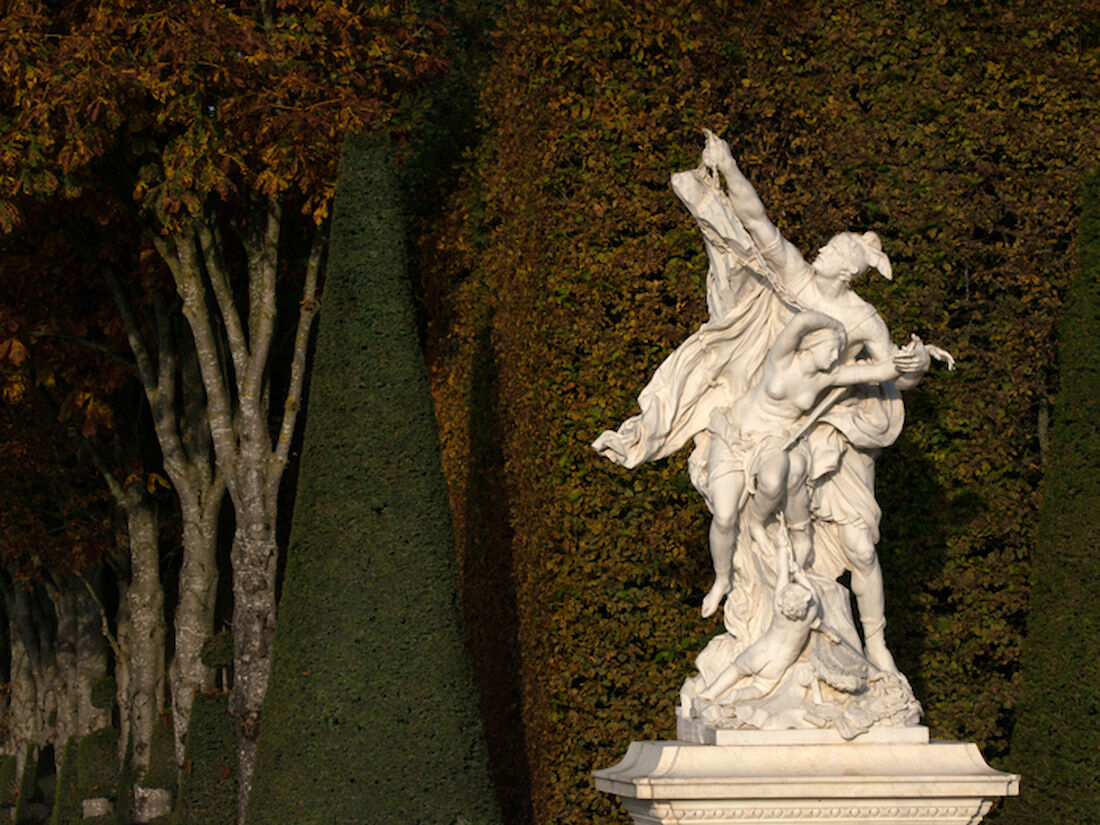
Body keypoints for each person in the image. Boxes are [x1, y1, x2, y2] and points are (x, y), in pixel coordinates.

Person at [697, 130, 950, 670]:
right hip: (773, 415)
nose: (821, 251)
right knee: (758, 517)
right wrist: (729, 164)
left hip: (833, 429)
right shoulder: (796, 275)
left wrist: (917, 365)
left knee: (860, 548)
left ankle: (875, 643)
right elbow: (756, 219)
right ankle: (773, 624)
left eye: (831, 249)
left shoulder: (863, 318)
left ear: (848, 268)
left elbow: (892, 373)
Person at [700, 310, 922, 619]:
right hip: (735, 436)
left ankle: (757, 523)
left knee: (773, 481)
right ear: (811, 346)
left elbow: (877, 371)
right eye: (831, 348)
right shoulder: (781, 361)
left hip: (772, 442)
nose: (834, 356)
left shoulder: (827, 377)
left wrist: (910, 360)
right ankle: (722, 579)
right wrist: (834, 324)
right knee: (724, 517)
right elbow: (799, 323)